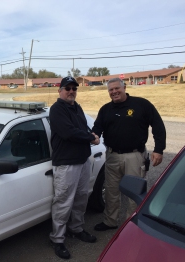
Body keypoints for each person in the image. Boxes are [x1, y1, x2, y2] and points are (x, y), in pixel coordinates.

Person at [92, 77, 166, 231]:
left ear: (124, 87)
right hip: (112, 156)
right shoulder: (106, 109)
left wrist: (159, 149)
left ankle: (131, 225)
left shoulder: (141, 104)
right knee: (111, 191)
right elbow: (97, 128)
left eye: (116, 88)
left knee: (134, 192)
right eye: (111, 90)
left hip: (135, 156)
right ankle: (110, 221)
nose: (114, 92)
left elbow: (158, 125)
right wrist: (94, 136)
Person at [49, 76, 99, 259]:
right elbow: (68, 132)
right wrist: (90, 138)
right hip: (66, 164)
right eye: (67, 88)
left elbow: (82, 128)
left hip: (83, 160)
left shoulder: (76, 107)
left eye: (74, 88)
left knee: (81, 199)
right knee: (63, 202)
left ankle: (76, 229)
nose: (71, 91)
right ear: (60, 90)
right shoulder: (56, 110)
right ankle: (57, 239)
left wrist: (90, 133)